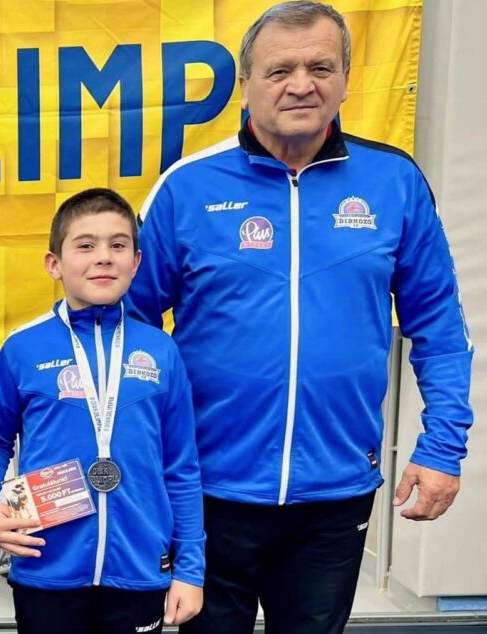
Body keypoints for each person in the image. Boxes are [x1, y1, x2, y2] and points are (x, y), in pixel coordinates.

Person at [128, 2, 475, 633]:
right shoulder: (186, 188)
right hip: (207, 492)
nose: (301, 85)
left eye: (320, 67)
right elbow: (128, 334)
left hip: (335, 496)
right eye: (279, 70)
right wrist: (141, 459)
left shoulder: (393, 182)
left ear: (345, 78)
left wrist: (442, 447)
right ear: (245, 84)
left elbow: (442, 331)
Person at [0, 188, 205, 634]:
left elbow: (181, 466)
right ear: (54, 264)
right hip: (46, 568)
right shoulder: (22, 349)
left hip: (139, 570)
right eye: (85, 245)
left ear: (136, 262)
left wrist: (191, 569)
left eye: (118, 245)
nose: (103, 257)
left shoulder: (162, 351)